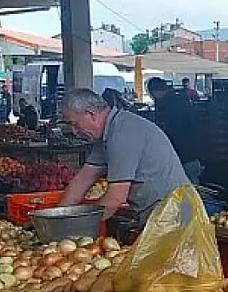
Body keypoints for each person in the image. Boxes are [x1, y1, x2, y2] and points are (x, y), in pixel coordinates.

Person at [58, 88, 189, 223]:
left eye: (75, 124)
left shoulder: (122, 132)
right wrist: (58, 219)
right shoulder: (106, 135)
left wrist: (79, 229)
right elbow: (83, 179)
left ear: (91, 114)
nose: (74, 131)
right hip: (157, 216)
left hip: (174, 217)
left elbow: (115, 197)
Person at [148, 77, 203, 185]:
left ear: (155, 91)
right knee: (193, 188)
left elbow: (169, 129)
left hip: (180, 154)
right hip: (191, 153)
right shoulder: (180, 98)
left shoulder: (167, 104)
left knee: (184, 188)